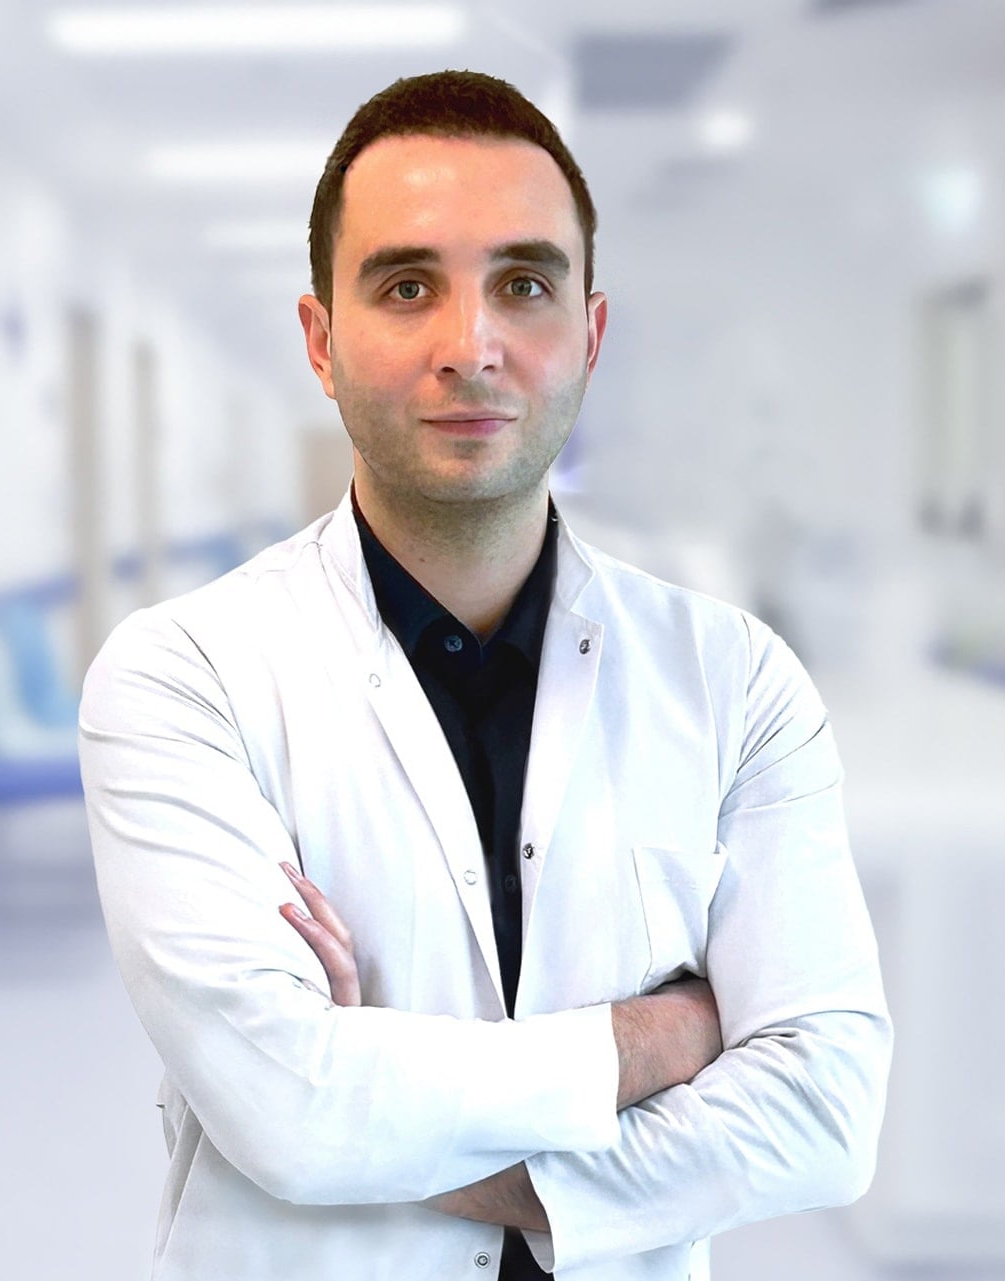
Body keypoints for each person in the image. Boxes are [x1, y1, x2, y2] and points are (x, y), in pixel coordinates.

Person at [79, 69, 891, 1281]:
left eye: (523, 284)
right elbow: (287, 1111)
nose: (471, 347)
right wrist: (670, 1036)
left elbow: (825, 1115)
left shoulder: (735, 681)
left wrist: (370, 1104)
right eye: (408, 287)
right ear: (321, 342)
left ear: (590, 335)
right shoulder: (183, 677)